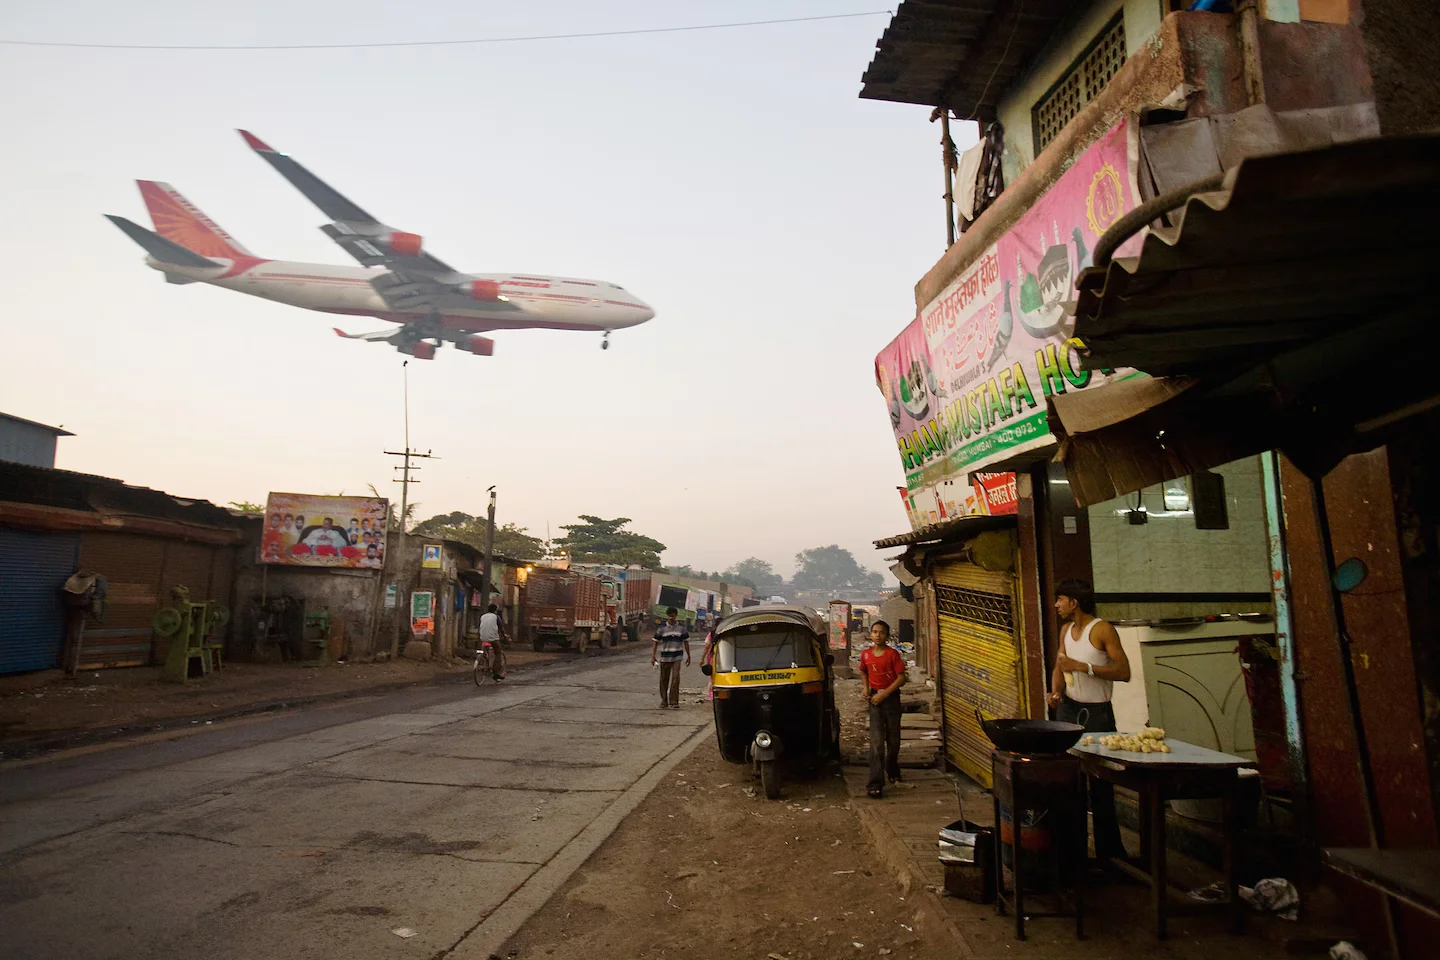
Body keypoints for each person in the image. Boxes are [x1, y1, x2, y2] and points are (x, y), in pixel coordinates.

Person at [1047, 578, 1131, 860]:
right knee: (1070, 783)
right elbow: (1060, 665)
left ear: (1074, 602)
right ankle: (1075, 853)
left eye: (1060, 599)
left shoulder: (1102, 629)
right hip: (1069, 711)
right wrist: (1055, 692)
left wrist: (1084, 667)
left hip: (1098, 714)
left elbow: (1124, 672)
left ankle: (1110, 855)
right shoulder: (1066, 630)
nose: (1056, 605)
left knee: (1101, 786)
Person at [859, 619, 906, 798]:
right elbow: (863, 671)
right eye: (875, 632)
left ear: (887, 635)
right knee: (876, 743)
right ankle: (875, 783)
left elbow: (901, 678)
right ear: (870, 634)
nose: (878, 635)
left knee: (893, 741)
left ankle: (892, 767)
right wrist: (866, 688)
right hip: (874, 700)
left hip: (891, 700)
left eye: (882, 632)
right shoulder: (865, 655)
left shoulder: (892, 655)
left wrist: (884, 694)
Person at [651, 607, 691, 709]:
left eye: (672, 616)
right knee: (664, 679)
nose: (671, 618)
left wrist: (689, 656)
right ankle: (664, 701)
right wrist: (653, 656)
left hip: (677, 657)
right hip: (665, 657)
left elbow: (686, 642)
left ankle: (674, 702)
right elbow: (655, 642)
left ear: (676, 615)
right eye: (669, 616)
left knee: (675, 678)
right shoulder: (661, 628)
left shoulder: (681, 628)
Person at [477, 603, 508, 680]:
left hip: (483, 637)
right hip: (493, 638)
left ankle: (483, 659)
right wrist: (504, 636)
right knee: (498, 653)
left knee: (484, 649)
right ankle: (496, 673)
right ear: (495, 610)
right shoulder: (496, 617)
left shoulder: (483, 616)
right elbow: (501, 628)